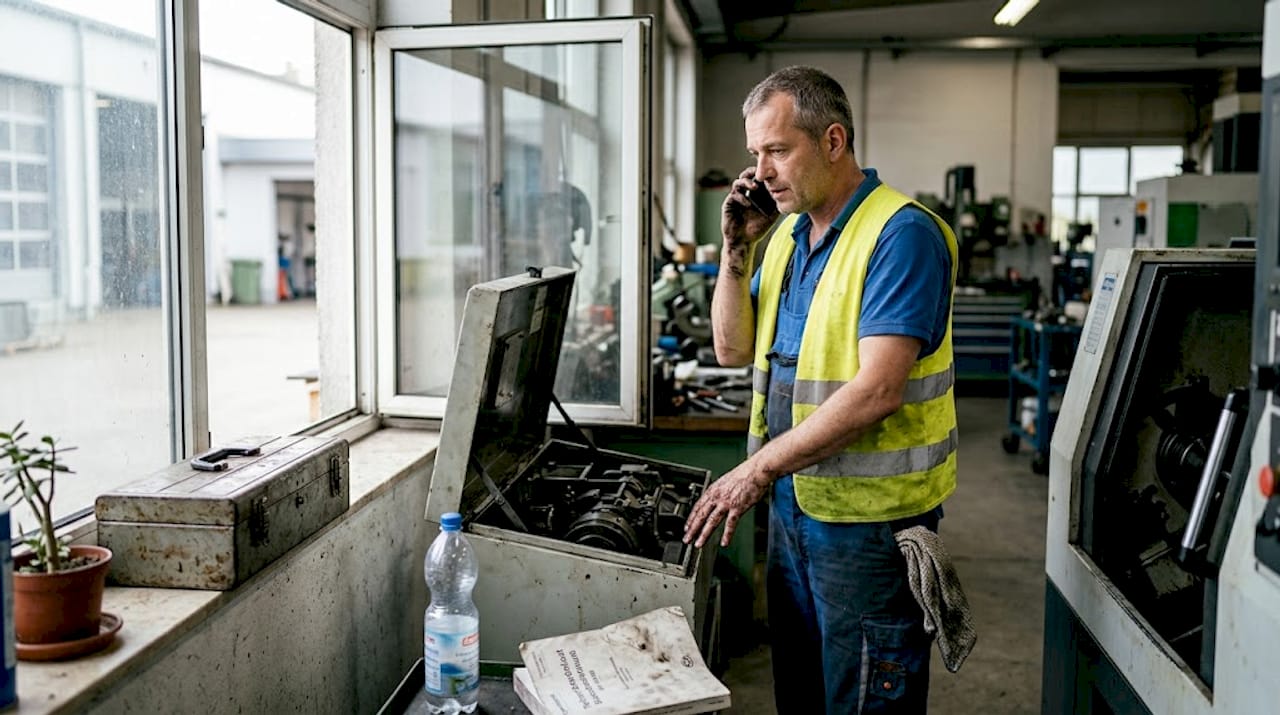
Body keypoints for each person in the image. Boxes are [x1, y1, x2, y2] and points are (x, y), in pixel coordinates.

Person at [682, 66, 959, 713]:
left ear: (833, 141)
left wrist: (755, 470)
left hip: (869, 528)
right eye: (756, 154)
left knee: (864, 697)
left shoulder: (900, 234)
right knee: (801, 694)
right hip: (797, 513)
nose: (762, 170)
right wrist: (734, 251)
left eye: (777, 150)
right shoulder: (785, 240)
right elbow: (731, 347)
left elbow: (878, 390)